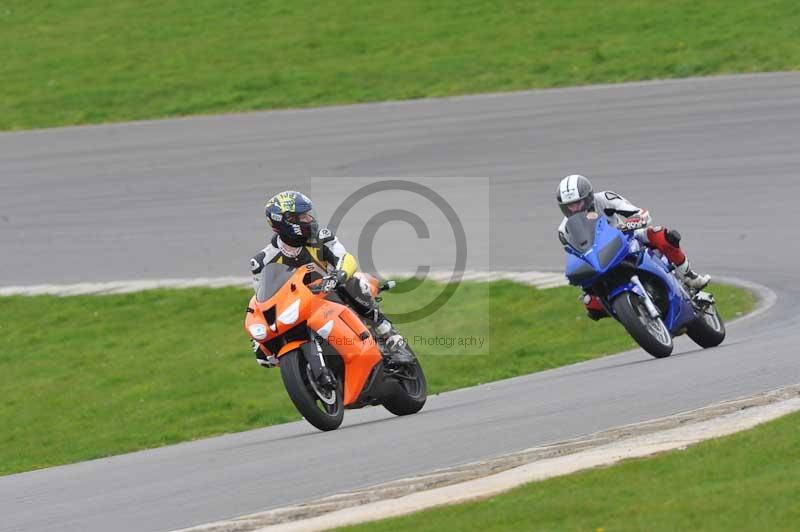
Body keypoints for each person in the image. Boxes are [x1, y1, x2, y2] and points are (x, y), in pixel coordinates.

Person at [250, 190, 410, 366]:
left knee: (354, 282)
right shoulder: (261, 262)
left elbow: (345, 258)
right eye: (302, 217)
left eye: (308, 215)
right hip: (299, 307)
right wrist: (259, 340)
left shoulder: (321, 237)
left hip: (331, 291)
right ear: (286, 221)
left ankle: (388, 333)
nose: (309, 219)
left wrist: (338, 276)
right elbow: (263, 302)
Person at [556, 174, 711, 321]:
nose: (575, 209)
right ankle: (627, 311)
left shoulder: (604, 198)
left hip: (626, 238)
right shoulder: (564, 229)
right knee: (590, 302)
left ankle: (689, 276)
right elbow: (575, 253)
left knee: (662, 235)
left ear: (588, 197)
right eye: (570, 206)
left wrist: (633, 221)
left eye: (578, 203)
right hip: (599, 258)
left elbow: (638, 212)